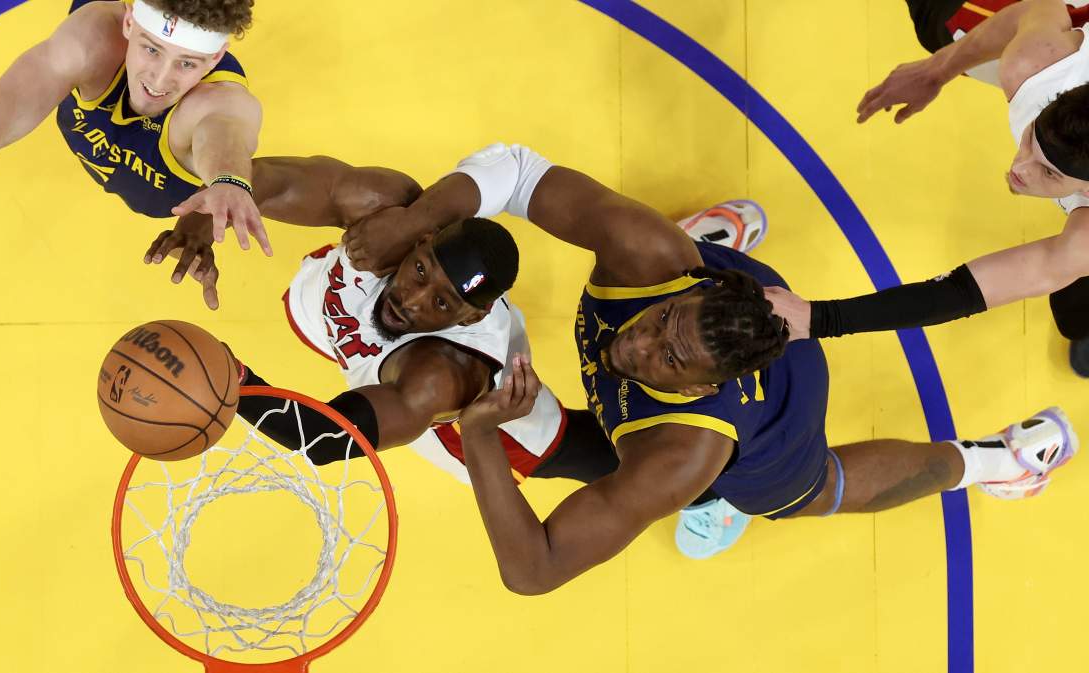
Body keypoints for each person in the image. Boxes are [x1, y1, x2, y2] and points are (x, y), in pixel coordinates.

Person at [343, 142, 1078, 594]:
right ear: (685, 290)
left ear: (696, 386)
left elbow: (533, 570)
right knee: (663, 248)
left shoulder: (682, 454)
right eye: (661, 321)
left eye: (666, 358)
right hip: (757, 300)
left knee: (817, 490)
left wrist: (479, 434)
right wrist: (417, 219)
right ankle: (713, 245)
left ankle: (991, 461)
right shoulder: (651, 262)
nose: (636, 345)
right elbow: (519, 171)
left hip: (774, 433)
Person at [147, 155, 621, 486]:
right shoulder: (384, 209)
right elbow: (264, 180)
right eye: (420, 271)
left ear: (469, 316)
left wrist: (235, 381)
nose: (411, 301)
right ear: (422, 239)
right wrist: (197, 226)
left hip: (449, 417)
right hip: (339, 327)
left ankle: (667, 465)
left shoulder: (439, 377)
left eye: (440, 304)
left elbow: (325, 438)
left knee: (589, 453)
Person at [769, 0, 1089, 376]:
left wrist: (820, 319)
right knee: (937, 25)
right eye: (1030, 139)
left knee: (1073, 291)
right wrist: (936, 71)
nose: (1019, 168)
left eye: (1049, 173)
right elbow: (1039, 9)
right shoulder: (1036, 66)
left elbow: (973, 289)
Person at [0, 0, 270, 276]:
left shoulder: (218, 102)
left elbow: (224, 130)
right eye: (151, 50)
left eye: (186, 63)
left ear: (215, 58)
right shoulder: (94, 39)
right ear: (129, 22)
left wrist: (229, 180)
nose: (159, 79)